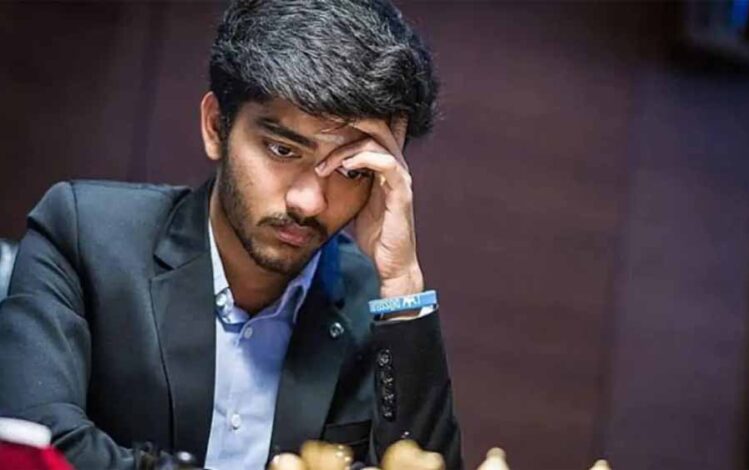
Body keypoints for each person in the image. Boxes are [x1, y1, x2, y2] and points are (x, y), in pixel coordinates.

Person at [0, 0, 462, 469]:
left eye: (351, 171)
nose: (309, 202)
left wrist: (402, 285)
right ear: (216, 126)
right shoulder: (86, 235)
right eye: (282, 150)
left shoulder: (374, 303)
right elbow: (39, 447)